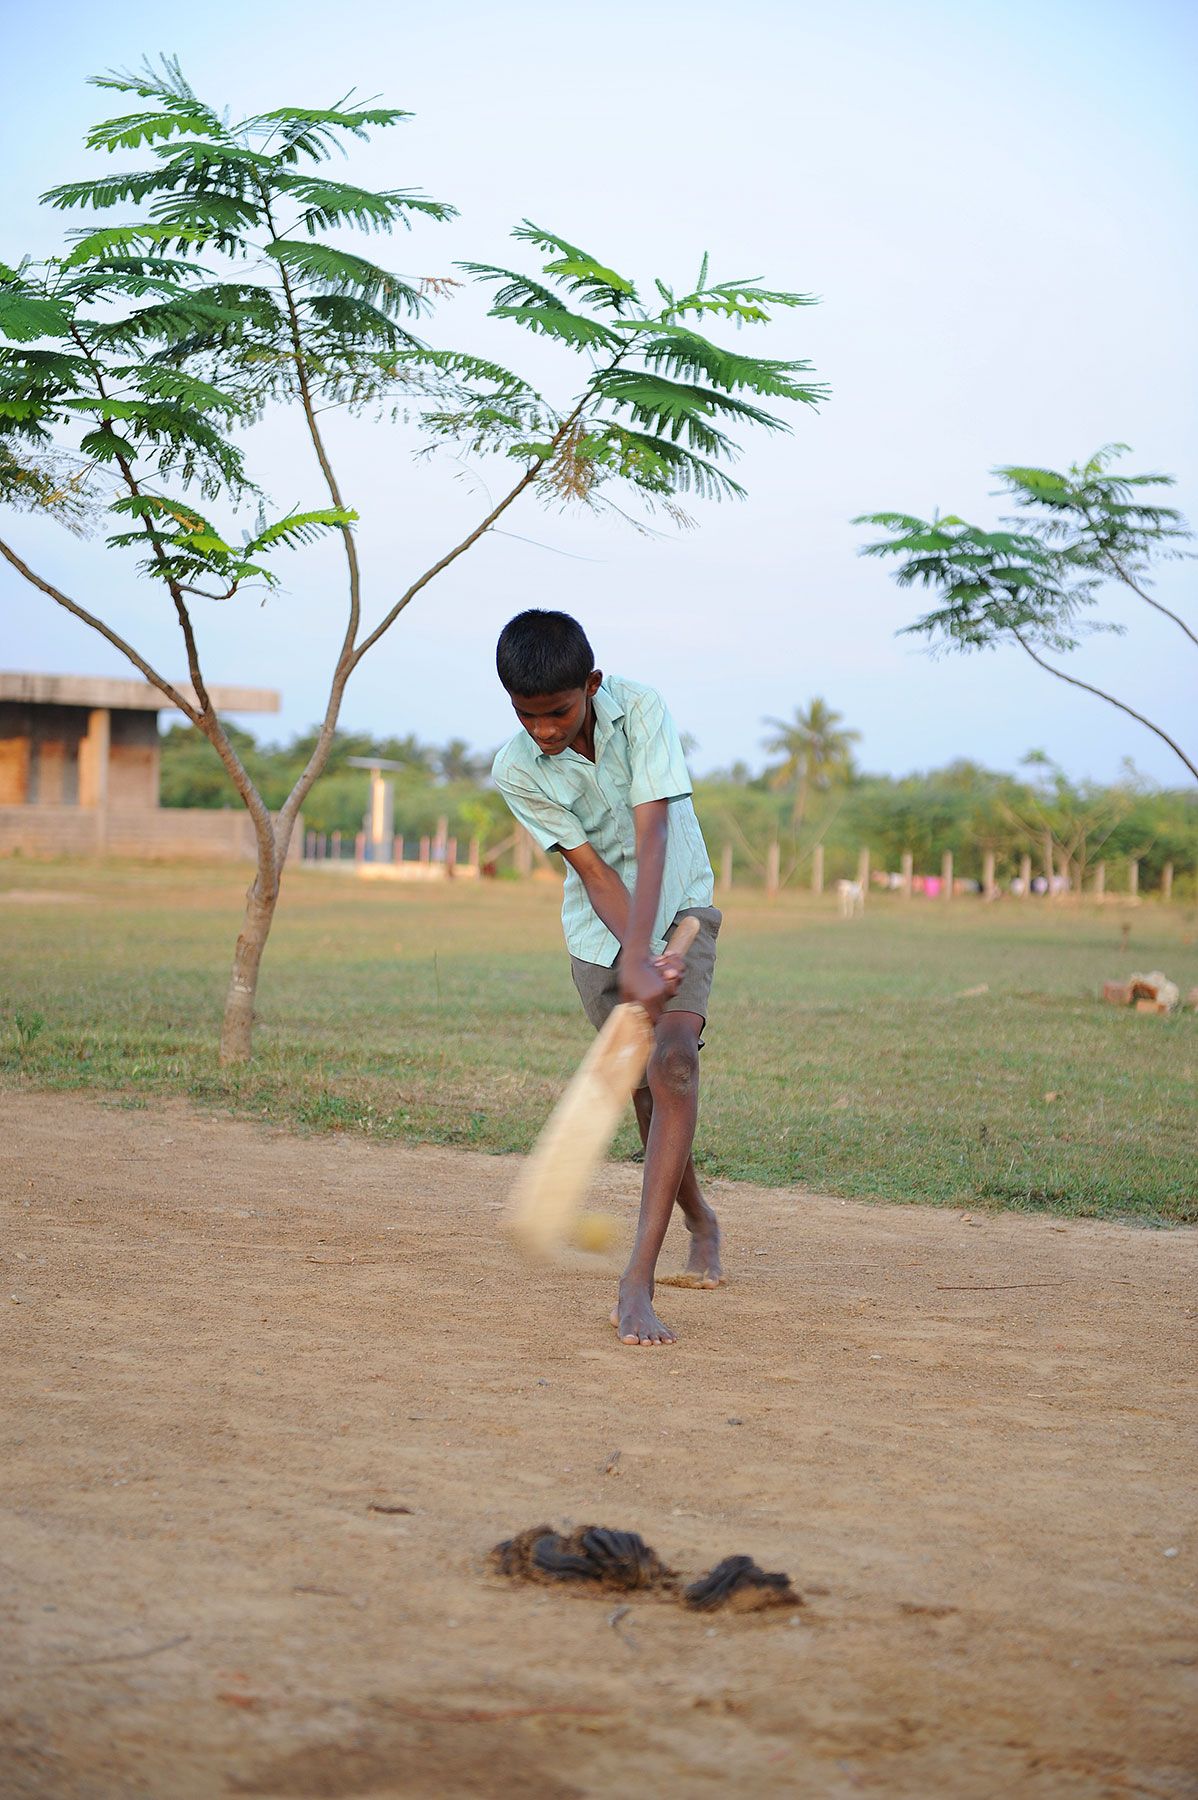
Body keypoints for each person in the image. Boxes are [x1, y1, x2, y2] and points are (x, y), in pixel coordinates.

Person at [492, 609, 723, 1346]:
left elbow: (652, 831)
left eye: (557, 712)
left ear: (590, 684)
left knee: (675, 1063)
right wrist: (631, 952)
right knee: (646, 1092)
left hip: (681, 897)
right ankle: (700, 1219)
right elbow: (591, 871)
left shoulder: (642, 709)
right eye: (527, 716)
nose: (544, 731)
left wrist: (654, 950)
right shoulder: (516, 769)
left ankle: (637, 1281)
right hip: (601, 934)